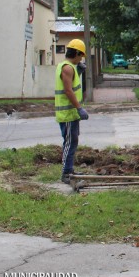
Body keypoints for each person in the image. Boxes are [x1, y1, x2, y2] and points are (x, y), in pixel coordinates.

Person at [56, 39, 89, 184]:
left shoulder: (69, 67)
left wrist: (79, 72)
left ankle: (69, 169)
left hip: (71, 113)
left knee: (72, 141)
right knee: (69, 142)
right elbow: (68, 91)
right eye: (80, 55)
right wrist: (79, 108)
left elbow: (73, 85)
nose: (81, 59)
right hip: (68, 113)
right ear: (76, 53)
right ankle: (66, 173)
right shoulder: (67, 68)